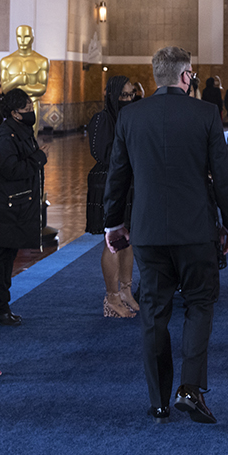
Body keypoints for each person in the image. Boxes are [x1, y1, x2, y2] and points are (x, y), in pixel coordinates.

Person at [104, 46, 228, 425]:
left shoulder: (131, 116)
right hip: (196, 229)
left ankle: (159, 401)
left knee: (154, 313)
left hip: (148, 231)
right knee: (199, 304)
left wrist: (113, 223)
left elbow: (118, 176)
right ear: (187, 75)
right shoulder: (207, 113)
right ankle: (190, 389)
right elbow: (223, 175)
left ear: (155, 77)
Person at [0, 87, 48, 326]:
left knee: (5, 259)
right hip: (5, 208)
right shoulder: (5, 136)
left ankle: (0, 306)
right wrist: (39, 158)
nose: (31, 112)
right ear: (14, 113)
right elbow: (10, 169)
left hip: (16, 206)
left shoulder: (19, 131)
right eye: (27, 109)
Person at [86, 76, 139, 318]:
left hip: (129, 181)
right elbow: (100, 153)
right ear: (112, 95)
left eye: (131, 95)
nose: (127, 99)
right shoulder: (101, 118)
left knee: (128, 237)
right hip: (107, 183)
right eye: (123, 95)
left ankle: (126, 291)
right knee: (113, 241)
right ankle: (112, 297)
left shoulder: (129, 116)